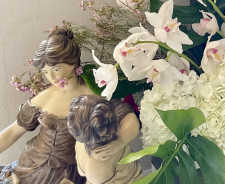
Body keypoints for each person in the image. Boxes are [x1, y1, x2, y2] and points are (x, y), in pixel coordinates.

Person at [0, 28, 90, 184]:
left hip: (67, 175)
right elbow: (13, 131)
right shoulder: (46, 97)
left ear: (73, 63)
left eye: (56, 69)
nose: (51, 77)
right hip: (30, 167)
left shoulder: (92, 96)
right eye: (46, 71)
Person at [65, 95, 142, 184]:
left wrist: (121, 142)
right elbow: (132, 120)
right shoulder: (99, 164)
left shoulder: (79, 144)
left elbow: (131, 119)